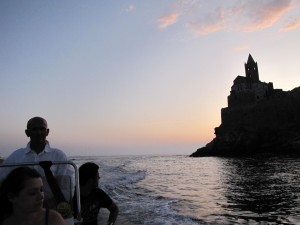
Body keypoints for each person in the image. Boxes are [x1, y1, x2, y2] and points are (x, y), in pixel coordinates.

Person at [0, 117, 74, 222]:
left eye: (42, 129)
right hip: (23, 212)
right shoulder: (16, 157)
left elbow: (66, 187)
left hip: (53, 208)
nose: (39, 132)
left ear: (47, 132)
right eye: (34, 129)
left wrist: (51, 205)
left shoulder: (59, 156)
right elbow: (3, 183)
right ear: (27, 133)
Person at [0, 166, 66, 225]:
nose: (41, 196)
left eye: (41, 190)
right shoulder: (5, 222)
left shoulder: (53, 219)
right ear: (12, 197)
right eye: (32, 193)